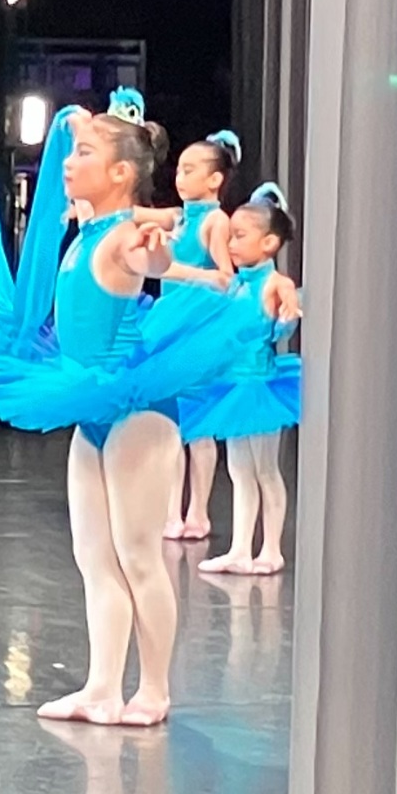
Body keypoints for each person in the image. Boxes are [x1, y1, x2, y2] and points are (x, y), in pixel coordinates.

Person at [0, 96, 238, 729]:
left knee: (138, 554)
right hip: (92, 406)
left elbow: (152, 258)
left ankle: (153, 690)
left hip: (135, 407)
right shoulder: (87, 225)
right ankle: (102, 687)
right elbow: (86, 149)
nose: (68, 162)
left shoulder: (126, 236)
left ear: (120, 173)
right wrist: (81, 123)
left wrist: (168, 259)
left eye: (84, 155)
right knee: (94, 556)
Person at [191, 188, 304, 575]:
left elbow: (285, 318)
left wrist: (287, 314)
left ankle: (271, 549)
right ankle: (240, 549)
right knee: (239, 471)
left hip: (260, 386)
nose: (231, 244)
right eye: (230, 236)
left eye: (240, 236)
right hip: (232, 386)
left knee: (265, 470)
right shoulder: (237, 284)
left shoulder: (275, 283)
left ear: (269, 243)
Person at [159, 130, 242, 540]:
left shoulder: (215, 220)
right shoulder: (178, 218)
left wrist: (191, 276)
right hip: (169, 326)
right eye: (179, 169)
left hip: (197, 327)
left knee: (198, 424)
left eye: (190, 170)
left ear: (214, 180)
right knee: (171, 425)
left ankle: (199, 512)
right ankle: (171, 510)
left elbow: (226, 276)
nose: (180, 177)